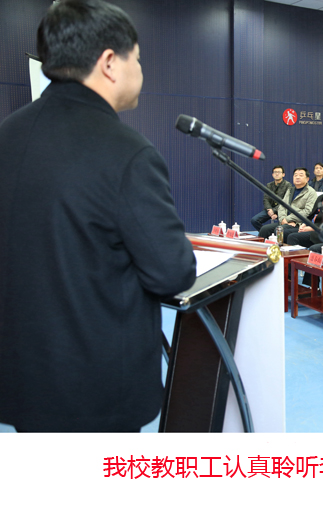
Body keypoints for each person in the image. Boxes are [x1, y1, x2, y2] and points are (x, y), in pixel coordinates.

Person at [0, 0, 197, 432]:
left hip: (21, 376)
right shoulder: (126, 152)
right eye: (137, 59)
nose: (140, 70)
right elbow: (172, 272)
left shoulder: (7, 135)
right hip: (97, 388)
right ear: (110, 63)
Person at [259, 167, 317, 239]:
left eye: (301, 175)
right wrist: (283, 220)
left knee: (279, 230)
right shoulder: (290, 190)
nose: (297, 177)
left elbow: (308, 211)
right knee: (264, 229)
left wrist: (288, 219)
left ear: (307, 179)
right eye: (295, 175)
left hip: (298, 223)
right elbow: (282, 206)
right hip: (285, 222)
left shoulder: (311, 192)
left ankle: (281, 246)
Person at [251, 165, 291, 231]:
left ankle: (270, 232)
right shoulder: (269, 185)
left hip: (282, 210)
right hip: (270, 210)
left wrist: (274, 211)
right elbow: (266, 199)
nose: (277, 174)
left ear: (283, 174)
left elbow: (285, 202)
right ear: (272, 174)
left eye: (279, 172)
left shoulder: (288, 185)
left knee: (284, 223)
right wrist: (270, 210)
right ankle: (265, 233)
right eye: (275, 172)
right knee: (254, 220)